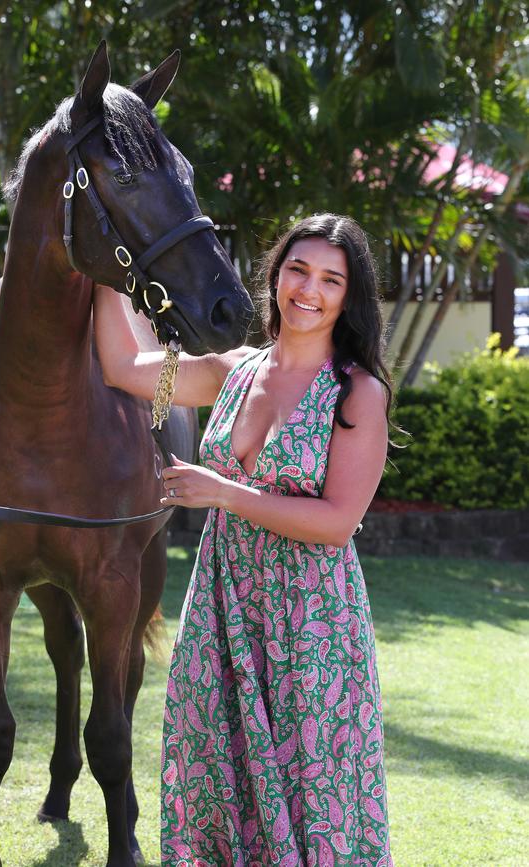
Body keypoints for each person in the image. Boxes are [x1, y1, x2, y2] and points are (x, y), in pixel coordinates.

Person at [95, 213, 394, 866]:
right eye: (297, 268)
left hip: (309, 620)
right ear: (275, 274)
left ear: (350, 297)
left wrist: (225, 492)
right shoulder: (230, 370)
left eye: (330, 279)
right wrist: (105, 274)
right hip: (224, 608)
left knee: (307, 788)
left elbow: (338, 520)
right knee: (213, 765)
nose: (308, 289)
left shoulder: (358, 393)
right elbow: (125, 367)